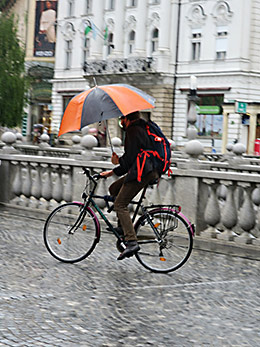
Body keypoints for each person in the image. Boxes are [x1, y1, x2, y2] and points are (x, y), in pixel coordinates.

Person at [100, 111, 159, 260]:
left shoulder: (133, 131)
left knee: (120, 204)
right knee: (114, 188)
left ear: (127, 119)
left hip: (142, 172)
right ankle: (122, 226)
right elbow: (133, 158)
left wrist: (115, 166)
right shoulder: (143, 127)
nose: (120, 121)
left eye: (121, 118)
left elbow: (128, 162)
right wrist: (118, 165)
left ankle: (131, 241)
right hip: (146, 169)